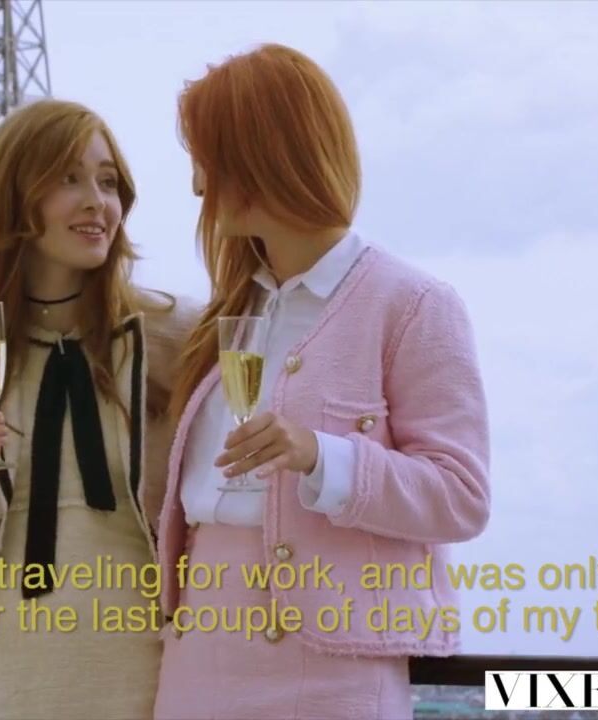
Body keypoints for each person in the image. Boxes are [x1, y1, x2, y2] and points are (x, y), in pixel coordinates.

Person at [153, 44, 492, 719]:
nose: (196, 187)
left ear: (262, 157)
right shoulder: (226, 314)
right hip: (196, 663)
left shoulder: (413, 304)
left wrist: (319, 454)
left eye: (208, 159)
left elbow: (462, 496)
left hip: (330, 676)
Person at [0, 98, 196, 720]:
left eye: (108, 182)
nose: (96, 202)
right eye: (68, 179)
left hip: (134, 678)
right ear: (13, 198)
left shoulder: (175, 337)